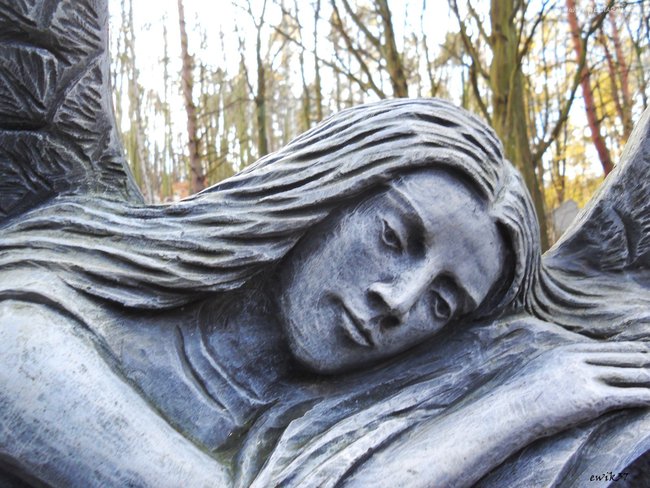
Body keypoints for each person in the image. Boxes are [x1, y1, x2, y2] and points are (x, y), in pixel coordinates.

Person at [0, 99, 648, 487]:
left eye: (443, 303)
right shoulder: (33, 329)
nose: (398, 302)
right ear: (326, 195)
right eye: (394, 237)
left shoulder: (338, 421)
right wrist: (519, 407)